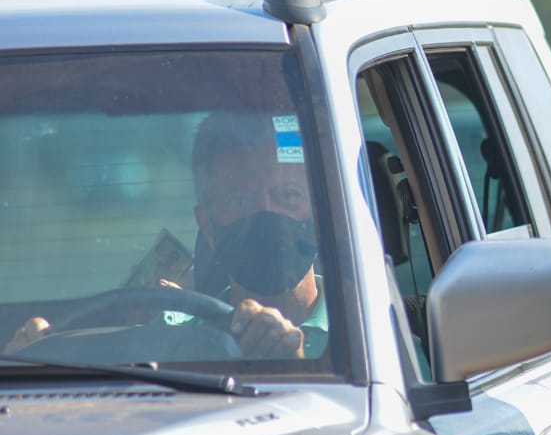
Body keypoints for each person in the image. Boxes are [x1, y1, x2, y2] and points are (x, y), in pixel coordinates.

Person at [4, 111, 326, 359]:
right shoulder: (166, 340)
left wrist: (293, 363)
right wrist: (35, 358)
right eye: (238, 200)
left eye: (287, 195)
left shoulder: (367, 331)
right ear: (209, 227)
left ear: (320, 212)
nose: (266, 214)